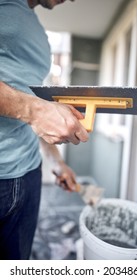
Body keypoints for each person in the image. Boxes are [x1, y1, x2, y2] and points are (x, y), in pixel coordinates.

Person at [0, 0, 89, 260]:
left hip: (29, 172)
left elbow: (30, 99)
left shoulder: (38, 32)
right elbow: (32, 109)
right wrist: (35, 111)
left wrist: (57, 162)